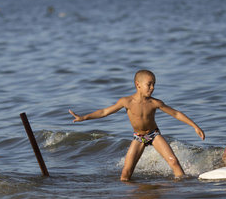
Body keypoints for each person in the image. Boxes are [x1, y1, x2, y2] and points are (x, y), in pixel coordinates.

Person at [69, 70, 206, 181]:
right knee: (126, 173)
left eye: (154, 85)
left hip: (154, 134)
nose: (152, 88)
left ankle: (184, 188)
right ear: (138, 84)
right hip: (138, 137)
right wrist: (84, 117)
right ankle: (130, 195)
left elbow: (175, 114)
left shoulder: (154, 103)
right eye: (149, 84)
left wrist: (195, 126)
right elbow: (104, 112)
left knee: (174, 162)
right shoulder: (126, 101)